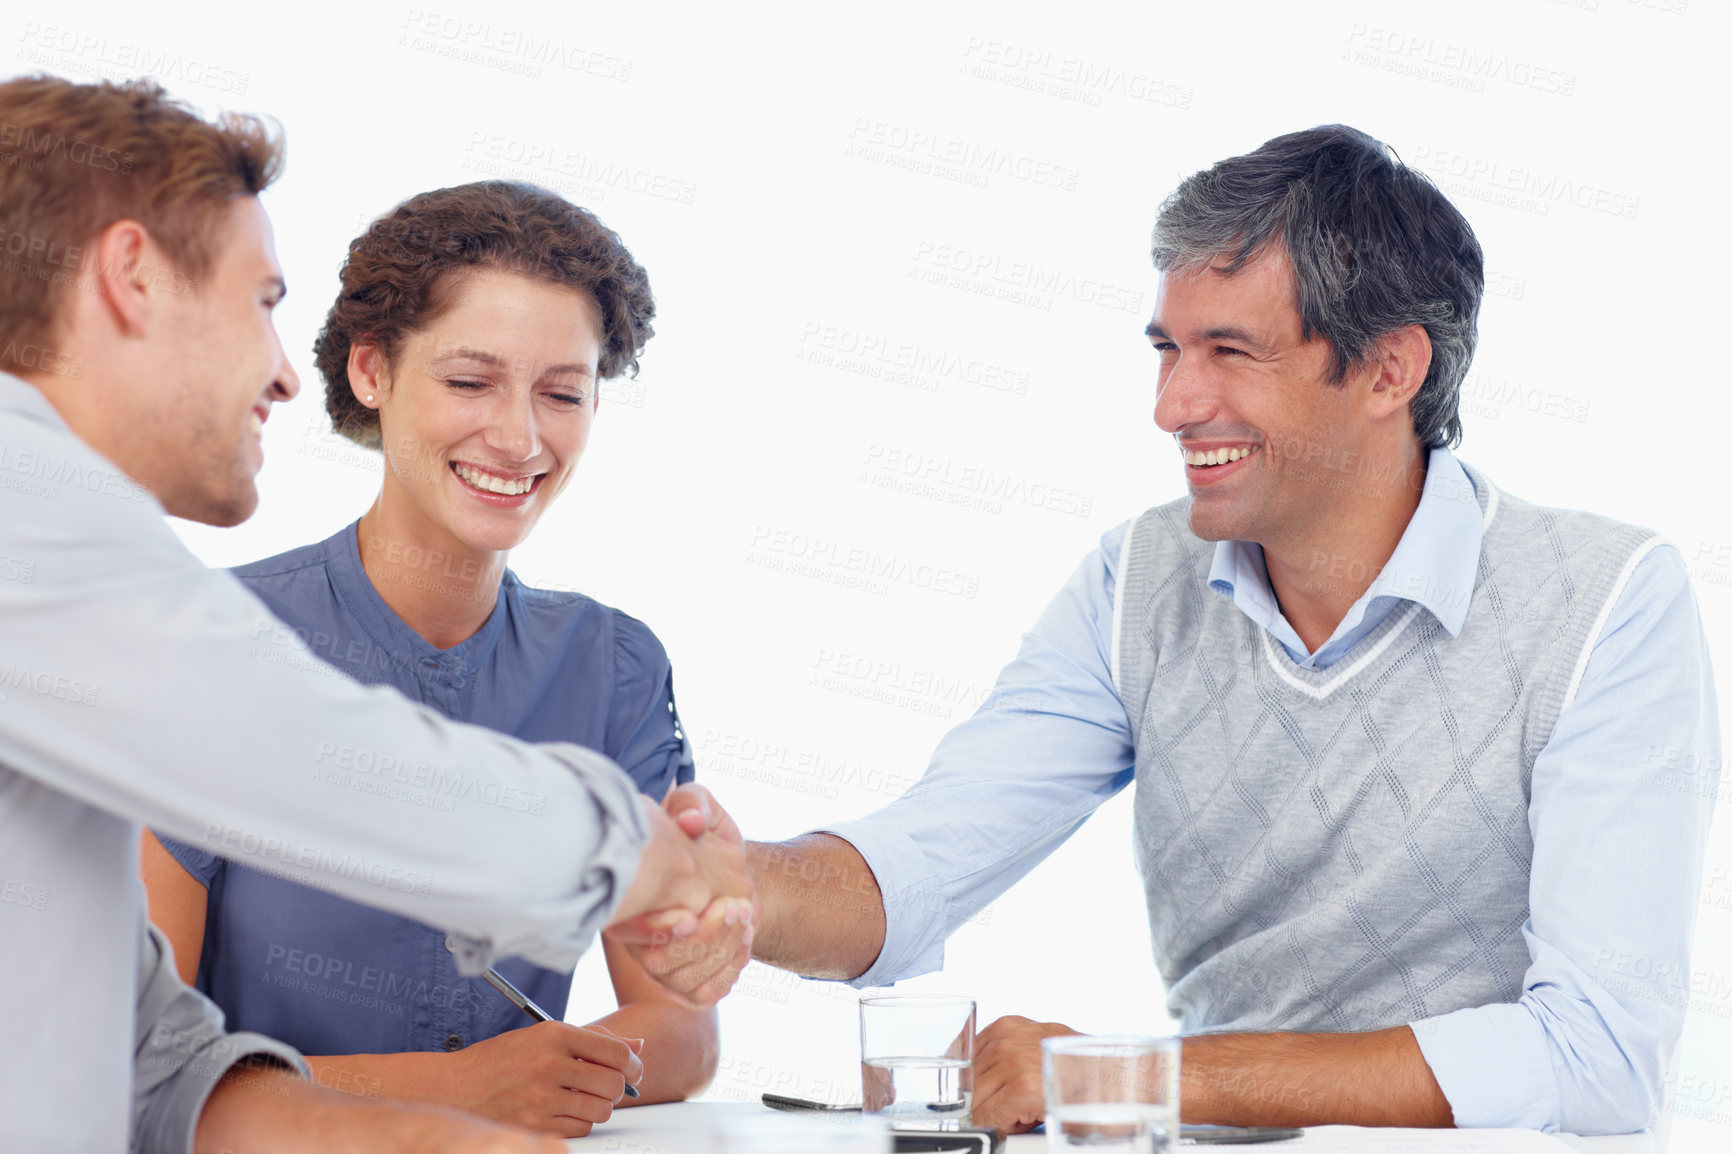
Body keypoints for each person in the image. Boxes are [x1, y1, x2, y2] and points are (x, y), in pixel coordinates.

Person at [652, 125, 1721, 1136]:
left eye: (1228, 350)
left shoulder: (1606, 598)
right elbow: (932, 849)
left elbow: (1599, 1054)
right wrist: (747, 888)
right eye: (1167, 347)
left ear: (1390, 369)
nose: (1171, 404)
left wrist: (1137, 1076)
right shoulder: (1137, 576)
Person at [0, 75, 751, 1154]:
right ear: (131, 278)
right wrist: (656, 861)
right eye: (260, 303)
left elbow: (150, 1066)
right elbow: (326, 762)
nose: (281, 374)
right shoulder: (33, 522)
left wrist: (455, 1136)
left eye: (560, 390)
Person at [141, 181, 719, 1138]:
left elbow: (682, 1027)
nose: (521, 438)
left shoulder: (612, 666)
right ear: (371, 371)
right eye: (469, 382)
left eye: (563, 394)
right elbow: (135, 1057)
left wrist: (568, 1074)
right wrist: (455, 1086)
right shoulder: (206, 646)